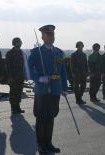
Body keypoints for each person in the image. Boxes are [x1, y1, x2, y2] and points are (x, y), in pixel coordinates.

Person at [28, 25, 68, 154]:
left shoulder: (59, 52)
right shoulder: (36, 52)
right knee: (41, 118)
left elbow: (63, 72)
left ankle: (48, 143)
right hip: (42, 91)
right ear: (42, 37)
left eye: (52, 35)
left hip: (55, 90)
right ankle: (41, 144)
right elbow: (27, 69)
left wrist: (64, 87)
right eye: (48, 35)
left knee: (51, 117)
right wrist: (39, 78)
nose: (51, 37)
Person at [6, 37, 25, 114]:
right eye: (17, 42)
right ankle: (13, 107)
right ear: (14, 43)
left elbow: (24, 65)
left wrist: (25, 75)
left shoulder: (21, 52)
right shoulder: (10, 53)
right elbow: (7, 66)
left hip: (20, 76)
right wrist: (9, 76)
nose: (19, 43)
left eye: (20, 42)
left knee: (19, 91)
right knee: (13, 92)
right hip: (13, 76)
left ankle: (18, 107)